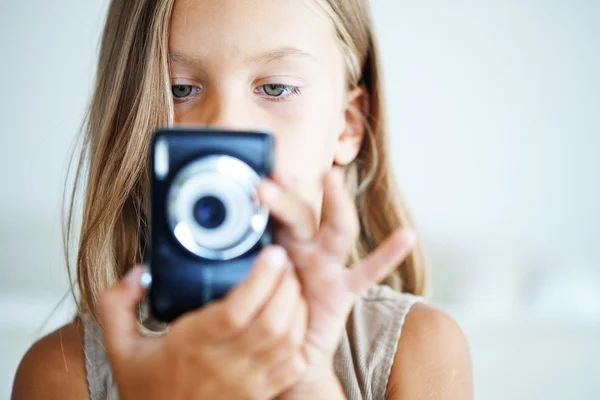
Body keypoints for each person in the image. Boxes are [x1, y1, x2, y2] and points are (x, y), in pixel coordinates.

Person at [12, 0, 473, 399]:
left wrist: (309, 387)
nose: (226, 125)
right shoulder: (63, 373)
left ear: (348, 125)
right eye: (179, 89)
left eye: (275, 88)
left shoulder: (414, 352)